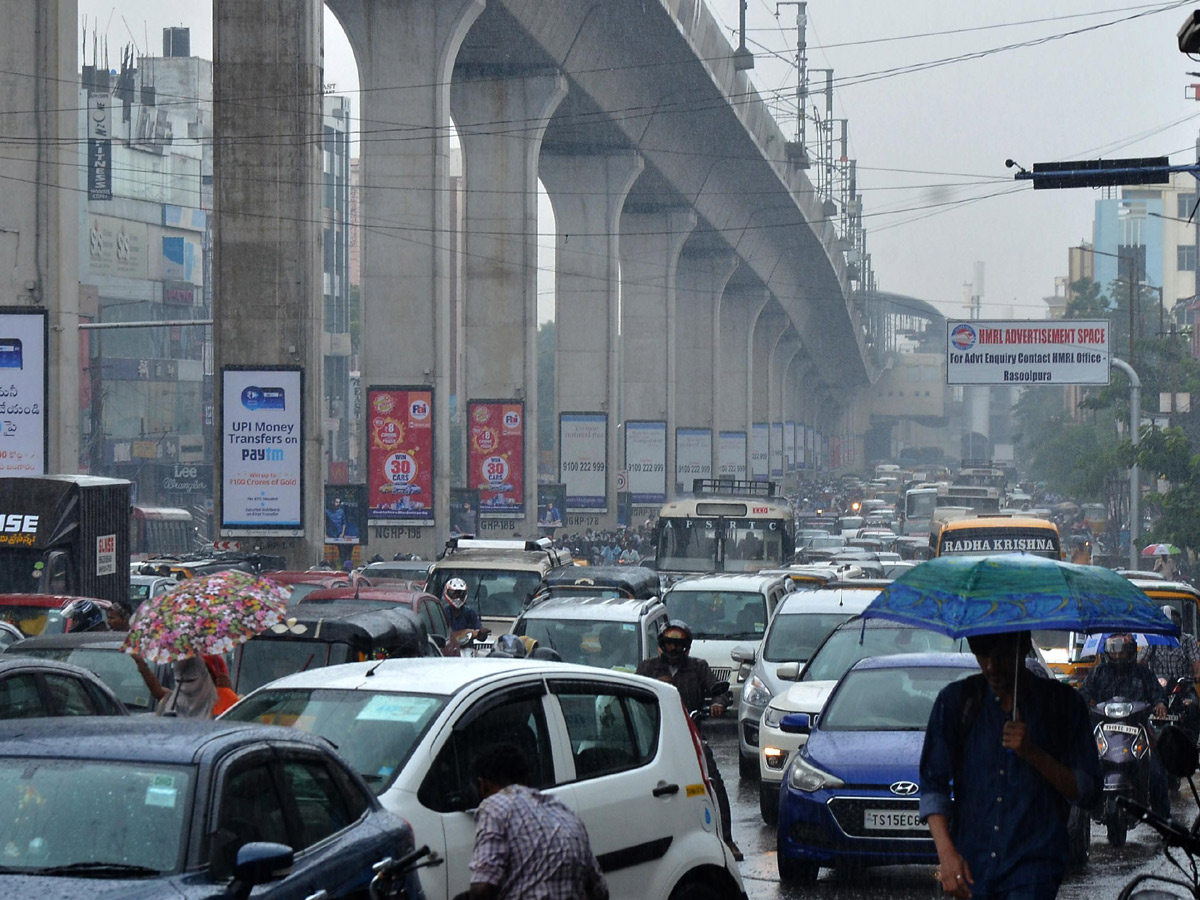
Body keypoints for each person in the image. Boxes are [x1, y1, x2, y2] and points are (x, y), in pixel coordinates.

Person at [920, 630, 1100, 900]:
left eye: (1002, 655)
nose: (992, 666)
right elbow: (933, 785)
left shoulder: (1062, 706)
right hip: (972, 871)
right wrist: (947, 855)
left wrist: (1033, 753)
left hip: (1033, 874)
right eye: (982, 654)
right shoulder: (957, 702)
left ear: (1023, 646)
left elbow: (1088, 791)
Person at [635, 620, 741, 861]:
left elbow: (721, 691)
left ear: (687, 647)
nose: (673, 649)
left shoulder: (698, 667)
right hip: (654, 737)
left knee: (713, 781)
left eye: (678, 645)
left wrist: (717, 703)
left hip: (691, 732)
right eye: (668, 644)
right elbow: (633, 693)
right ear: (661, 645)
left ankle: (726, 839)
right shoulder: (647, 668)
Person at [465, 743, 607, 900]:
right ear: (528, 778)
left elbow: (482, 889)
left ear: (482, 785)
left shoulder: (494, 806)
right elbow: (600, 890)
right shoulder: (566, 813)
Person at [1080, 632, 1170, 817]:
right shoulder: (1098, 672)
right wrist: (1085, 703)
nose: (1118, 655)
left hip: (1138, 727)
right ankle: (1079, 821)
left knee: (1157, 773)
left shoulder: (1143, 673)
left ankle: (1165, 823)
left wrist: (1160, 705)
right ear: (1107, 651)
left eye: (1122, 651)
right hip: (1103, 729)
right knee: (1081, 765)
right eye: (1114, 650)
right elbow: (1084, 693)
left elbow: (1158, 694)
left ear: (1131, 651)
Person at [443, 577, 490, 645]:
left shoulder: (469, 613)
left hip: (467, 649)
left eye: (460, 594)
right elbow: (443, 636)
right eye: (454, 594)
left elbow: (479, 632)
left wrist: (481, 633)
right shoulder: (443, 613)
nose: (458, 598)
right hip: (448, 650)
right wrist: (468, 632)